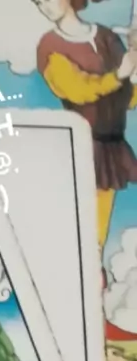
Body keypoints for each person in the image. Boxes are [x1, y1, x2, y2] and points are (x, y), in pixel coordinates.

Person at [34, 0, 137, 251]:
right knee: (78, 224)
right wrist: (119, 75)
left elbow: (129, 99)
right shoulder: (49, 45)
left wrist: (135, 69)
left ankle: (93, 271)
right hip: (81, 145)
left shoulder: (106, 36)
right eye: (38, 3)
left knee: (97, 231)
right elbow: (77, 90)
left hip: (111, 145)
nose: (44, 7)